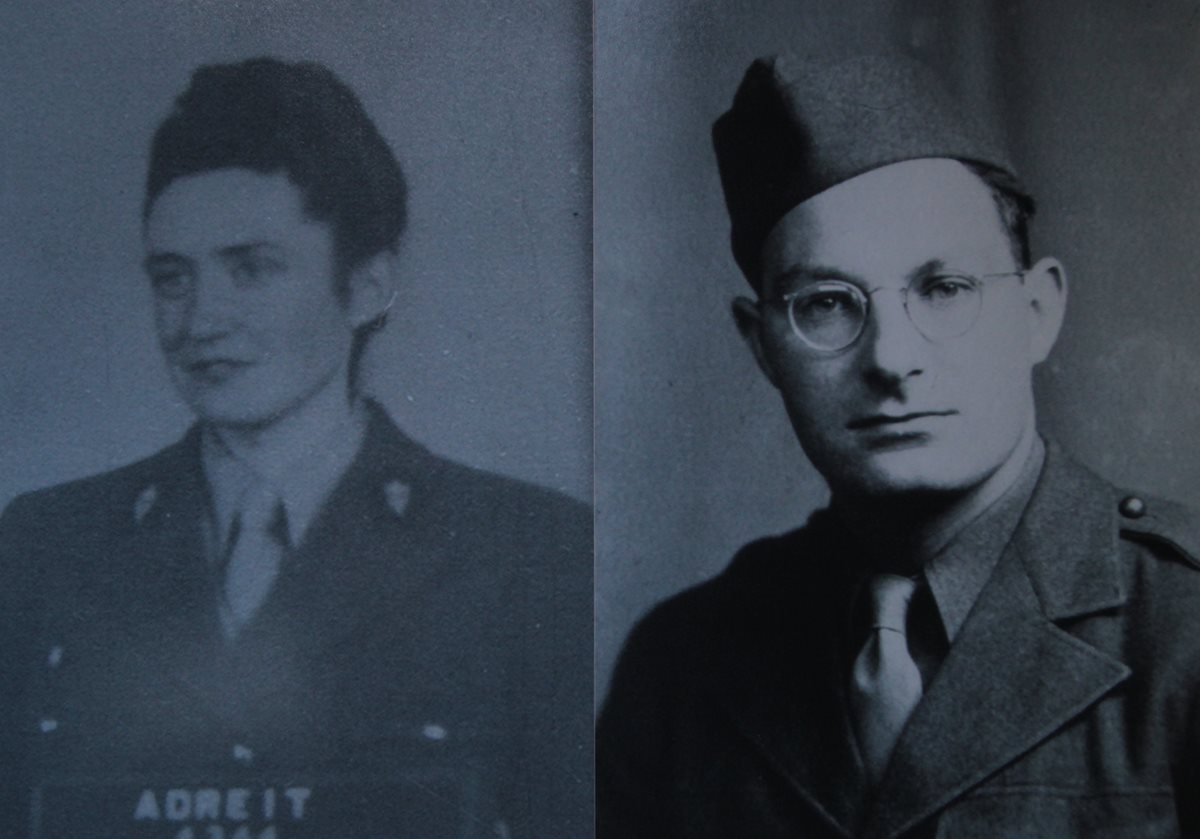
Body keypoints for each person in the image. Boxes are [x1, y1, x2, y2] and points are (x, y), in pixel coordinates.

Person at [597, 51, 1200, 838]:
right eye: (827, 304)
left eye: (944, 289)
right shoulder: (679, 667)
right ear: (762, 345)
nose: (889, 357)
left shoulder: (1183, 626)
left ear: (1039, 310)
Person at [0, 57, 591, 838]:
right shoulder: (44, 545)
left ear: (370, 284)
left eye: (252, 269)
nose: (202, 318)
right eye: (173, 278)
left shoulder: (530, 552)